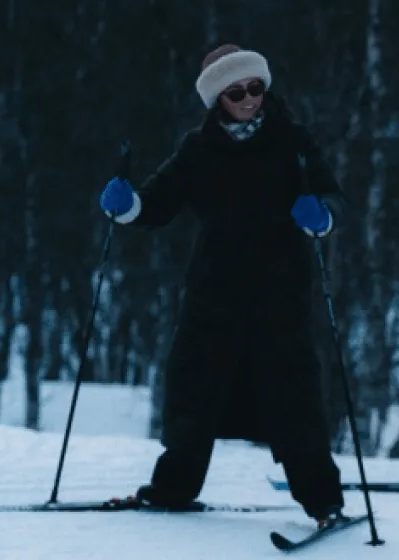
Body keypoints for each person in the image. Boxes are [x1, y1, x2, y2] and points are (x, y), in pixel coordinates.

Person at [96, 45, 347, 527]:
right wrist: (126, 206)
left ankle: (324, 503)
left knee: (293, 397)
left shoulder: (293, 140)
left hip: (280, 290)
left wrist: (323, 217)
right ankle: (173, 489)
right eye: (237, 91)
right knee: (193, 389)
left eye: (257, 87)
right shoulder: (197, 148)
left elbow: (334, 196)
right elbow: (158, 203)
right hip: (215, 289)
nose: (250, 98)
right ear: (217, 99)